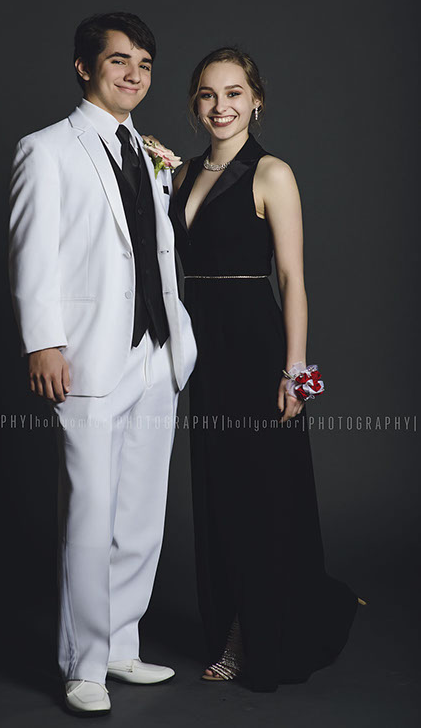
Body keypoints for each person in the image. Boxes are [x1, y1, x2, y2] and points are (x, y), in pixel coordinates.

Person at [8, 13, 197, 714]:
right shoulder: (47, 149)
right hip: (85, 355)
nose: (134, 75)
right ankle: (81, 662)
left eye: (144, 64)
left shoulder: (146, 153)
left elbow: (151, 249)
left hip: (155, 352)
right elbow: (34, 251)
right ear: (84, 67)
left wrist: (175, 343)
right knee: (90, 512)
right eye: (119, 61)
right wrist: (42, 341)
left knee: (142, 512)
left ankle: (120, 644)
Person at [167, 46, 360, 692]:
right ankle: (233, 615)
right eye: (205, 95)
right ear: (194, 105)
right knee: (218, 489)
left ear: (255, 100)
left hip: (255, 344)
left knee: (262, 494)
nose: (219, 106)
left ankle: (254, 633)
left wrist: (298, 377)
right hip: (201, 347)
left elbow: (292, 278)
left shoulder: (271, 171)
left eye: (232, 93)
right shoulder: (182, 172)